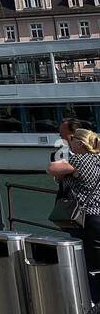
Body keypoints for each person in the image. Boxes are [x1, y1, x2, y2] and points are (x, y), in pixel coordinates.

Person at [49, 126, 100, 297]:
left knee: (88, 263)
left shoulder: (79, 160)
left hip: (86, 219)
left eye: (72, 141)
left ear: (80, 143)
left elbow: (53, 169)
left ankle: (92, 304)